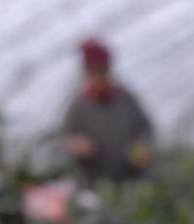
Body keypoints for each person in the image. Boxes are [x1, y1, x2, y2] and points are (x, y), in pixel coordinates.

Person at [63, 38, 153, 183]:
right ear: (87, 74)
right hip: (94, 182)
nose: (99, 77)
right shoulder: (78, 107)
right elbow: (65, 140)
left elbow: (145, 129)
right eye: (94, 72)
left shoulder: (126, 99)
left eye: (102, 71)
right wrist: (76, 145)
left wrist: (143, 147)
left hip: (132, 179)